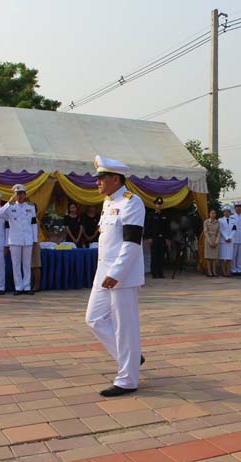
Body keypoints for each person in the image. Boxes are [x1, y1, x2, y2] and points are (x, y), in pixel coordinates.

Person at [85, 155, 146, 397]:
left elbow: (132, 243)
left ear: (115, 179)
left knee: (125, 327)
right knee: (94, 318)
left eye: (101, 179)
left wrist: (117, 273)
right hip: (104, 272)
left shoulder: (132, 202)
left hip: (123, 275)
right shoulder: (110, 203)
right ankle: (130, 357)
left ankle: (127, 379)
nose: (97, 183)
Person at [0, 184, 38, 295]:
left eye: (21, 194)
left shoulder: (30, 207)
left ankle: (27, 286)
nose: (19, 196)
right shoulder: (10, 207)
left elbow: (34, 224)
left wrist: (35, 239)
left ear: (25, 195)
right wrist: (9, 202)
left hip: (27, 239)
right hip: (14, 240)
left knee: (26, 264)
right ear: (14, 195)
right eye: (17, 194)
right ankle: (18, 287)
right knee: (16, 264)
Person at [145, 197, 169, 278]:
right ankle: (154, 273)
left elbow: (167, 228)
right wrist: (149, 237)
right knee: (154, 256)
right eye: (158, 204)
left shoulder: (165, 215)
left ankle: (160, 273)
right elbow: (148, 227)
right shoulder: (151, 215)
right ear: (155, 205)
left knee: (161, 256)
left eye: (160, 204)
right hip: (154, 238)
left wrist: (167, 238)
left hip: (162, 238)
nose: (159, 205)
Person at [218, 205, 235, 277]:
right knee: (222, 257)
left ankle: (228, 271)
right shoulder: (220, 220)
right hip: (223, 241)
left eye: (228, 212)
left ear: (230, 212)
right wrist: (226, 237)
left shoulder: (233, 220)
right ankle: (223, 271)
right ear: (223, 212)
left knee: (229, 257)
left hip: (230, 241)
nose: (226, 213)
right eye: (225, 212)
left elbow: (234, 229)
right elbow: (221, 230)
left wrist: (230, 237)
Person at [203, 209, 220, 277]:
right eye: (211, 213)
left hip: (215, 239)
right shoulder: (206, 222)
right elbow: (205, 232)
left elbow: (219, 232)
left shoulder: (217, 222)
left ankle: (214, 271)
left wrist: (216, 241)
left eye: (214, 213)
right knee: (208, 257)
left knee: (214, 257)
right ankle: (209, 271)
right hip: (208, 239)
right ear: (209, 214)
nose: (213, 215)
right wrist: (210, 241)